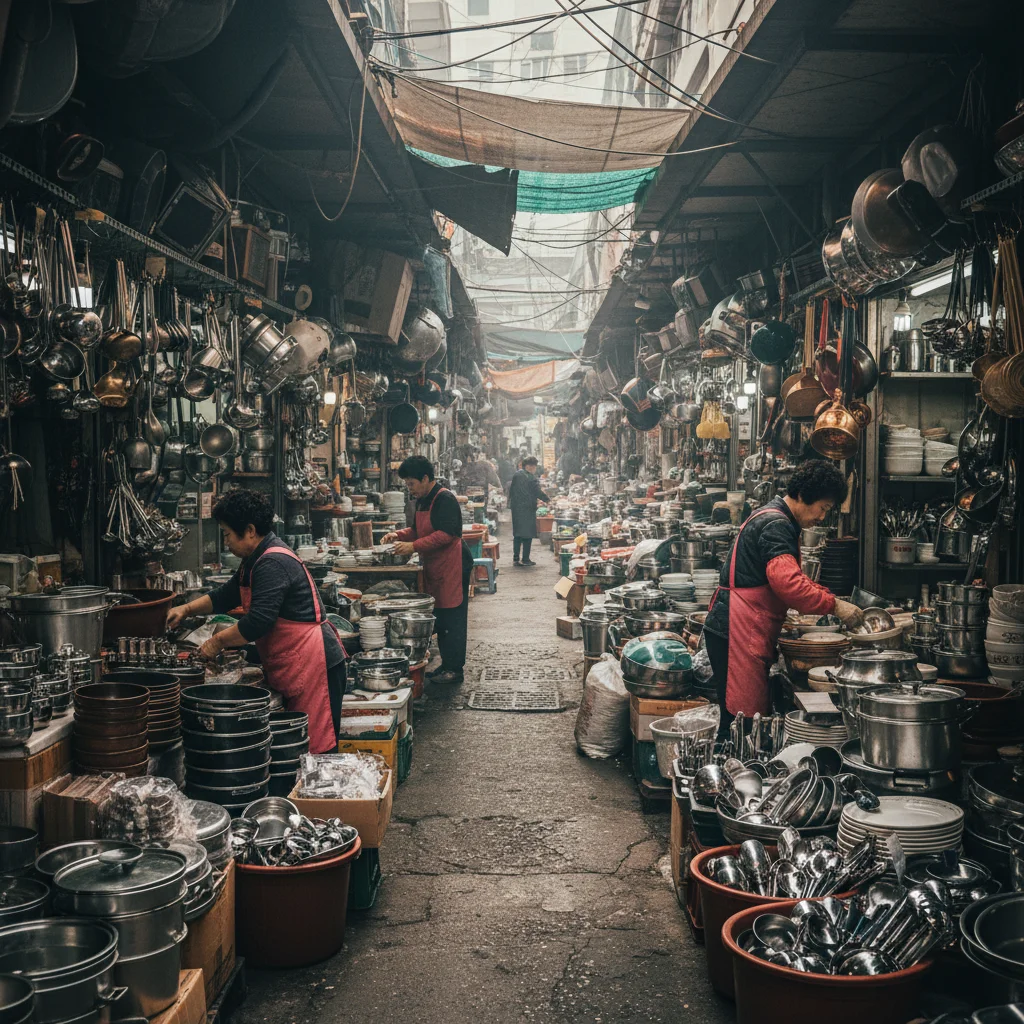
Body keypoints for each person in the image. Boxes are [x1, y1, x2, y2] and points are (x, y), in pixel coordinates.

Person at [166, 489, 344, 754]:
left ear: (249, 530)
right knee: (299, 749)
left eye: (227, 533)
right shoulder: (254, 559)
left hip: (317, 663)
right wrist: (186, 609)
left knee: (316, 751)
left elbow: (257, 623)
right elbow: (227, 595)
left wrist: (215, 643)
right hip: (298, 660)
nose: (226, 542)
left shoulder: (272, 561)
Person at [703, 460, 865, 729]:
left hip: (740, 627)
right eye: (823, 508)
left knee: (745, 716)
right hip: (737, 631)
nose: (822, 517)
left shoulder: (775, 517)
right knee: (742, 719)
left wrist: (827, 598)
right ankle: (731, 768)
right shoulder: (776, 525)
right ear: (803, 496)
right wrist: (835, 605)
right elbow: (789, 584)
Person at [383, 455, 472, 685]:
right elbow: (417, 529)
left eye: (411, 483)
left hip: (453, 564)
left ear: (425, 478)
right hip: (436, 566)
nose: (409, 488)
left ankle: (455, 669)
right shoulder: (422, 499)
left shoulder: (445, 499)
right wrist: (399, 535)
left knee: (453, 618)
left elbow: (446, 534)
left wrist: (413, 546)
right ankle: (446, 665)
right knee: (441, 616)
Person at [508, 455, 549, 567]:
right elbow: (537, 492)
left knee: (517, 534)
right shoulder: (531, 478)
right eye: (534, 466)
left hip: (516, 509)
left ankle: (516, 559)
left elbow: (511, 491)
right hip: (527, 509)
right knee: (527, 534)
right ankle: (525, 559)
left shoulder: (517, 475)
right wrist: (547, 500)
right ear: (531, 466)